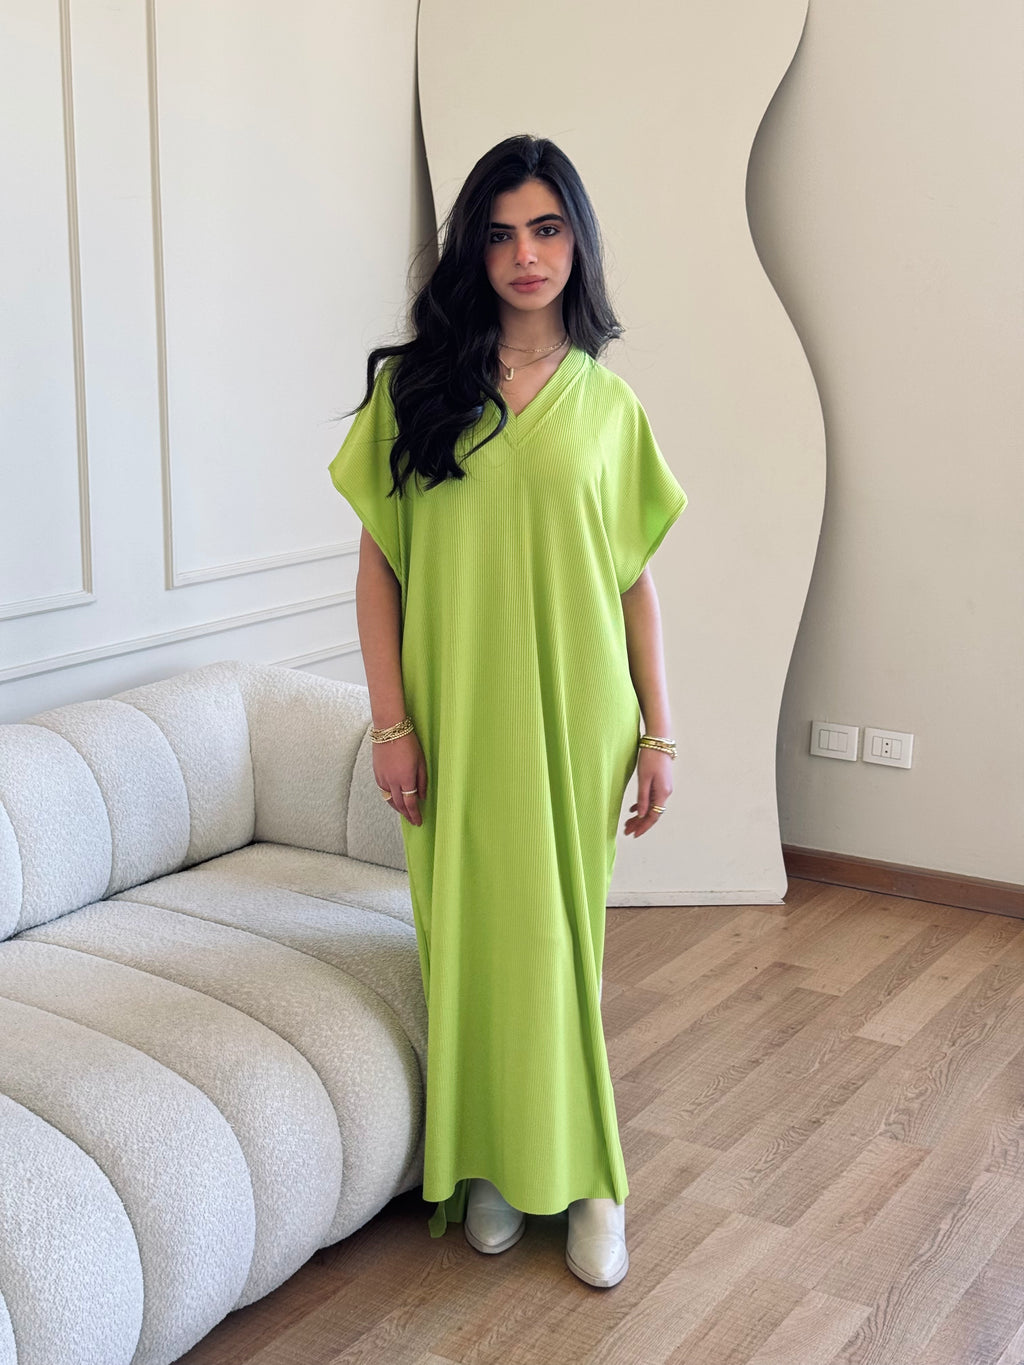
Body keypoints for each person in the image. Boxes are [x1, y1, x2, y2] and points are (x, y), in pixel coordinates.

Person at [328, 134, 686, 1289]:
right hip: (454, 716)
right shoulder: (415, 393)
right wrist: (392, 727)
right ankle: (488, 1159)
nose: (524, 254)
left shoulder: (610, 407)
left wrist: (658, 733)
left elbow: (633, 584)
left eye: (545, 228)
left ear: (576, 241)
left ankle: (590, 1181)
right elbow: (378, 570)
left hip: (579, 720)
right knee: (469, 940)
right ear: (472, 251)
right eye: (499, 233)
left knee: (559, 948)